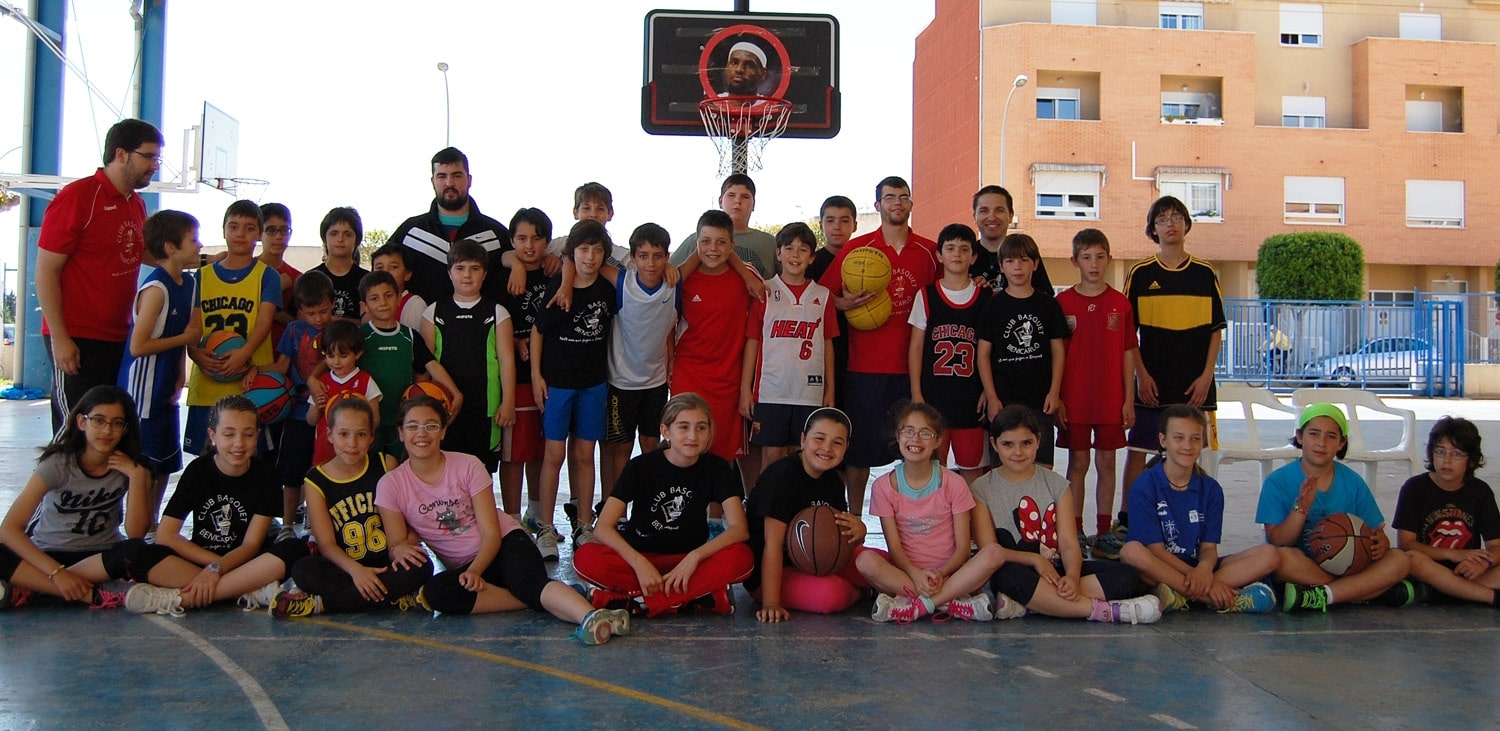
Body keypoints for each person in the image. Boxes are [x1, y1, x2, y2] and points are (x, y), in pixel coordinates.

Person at [375, 396, 628, 644]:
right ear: (400, 433)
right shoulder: (391, 484)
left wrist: (476, 570)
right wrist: (400, 548)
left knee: (530, 584)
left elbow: (492, 534)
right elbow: (398, 544)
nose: (421, 434)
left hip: (505, 544)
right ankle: (561, 595)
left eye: (431, 426)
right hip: (465, 568)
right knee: (436, 593)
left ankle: (590, 617)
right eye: (412, 426)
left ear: (442, 432)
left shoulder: (468, 466)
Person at [971, 405, 1162, 624]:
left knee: (1127, 575)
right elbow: (989, 549)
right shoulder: (981, 488)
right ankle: (1104, 611)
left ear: (1038, 441)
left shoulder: (1056, 484)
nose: (1018, 452)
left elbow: (1069, 543)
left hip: (1055, 569)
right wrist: (1034, 559)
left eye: (1026, 443)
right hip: (1015, 567)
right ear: (994, 444)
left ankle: (1034, 605)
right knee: (1006, 575)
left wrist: (1071, 576)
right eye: (1008, 444)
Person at [818, 176, 938, 515]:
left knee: (917, 452)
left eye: (903, 197)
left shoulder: (929, 252)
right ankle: (853, 523)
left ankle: (922, 524)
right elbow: (824, 295)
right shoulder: (857, 249)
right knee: (859, 456)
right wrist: (846, 303)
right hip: (864, 368)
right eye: (889, 198)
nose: (897, 203)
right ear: (878, 206)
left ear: (911, 203)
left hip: (913, 370)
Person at [573, 393, 754, 617]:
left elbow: (739, 529)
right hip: (640, 559)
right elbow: (603, 527)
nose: (692, 436)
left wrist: (694, 557)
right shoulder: (640, 467)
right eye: (683, 427)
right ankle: (690, 599)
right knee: (586, 558)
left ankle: (638, 602)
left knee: (742, 557)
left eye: (701, 428)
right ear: (666, 431)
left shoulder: (716, 468)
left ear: (709, 433)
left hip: (688, 563)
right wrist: (639, 563)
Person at [0, 386, 178, 611]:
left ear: (126, 429)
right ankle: (94, 594)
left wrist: (136, 476)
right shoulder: (57, 465)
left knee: (139, 551)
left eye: (117, 423)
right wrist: (58, 574)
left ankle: (34, 589)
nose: (107, 430)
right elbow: (9, 529)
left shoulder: (133, 467)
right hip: (51, 555)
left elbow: (136, 534)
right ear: (81, 422)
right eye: (98, 421)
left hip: (102, 558)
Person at [37, 118, 163, 434]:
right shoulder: (78, 197)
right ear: (121, 154)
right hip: (77, 336)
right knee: (75, 433)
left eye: (156, 158)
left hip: (118, 337)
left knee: (107, 432)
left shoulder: (136, 203)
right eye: (148, 157)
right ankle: (56, 486)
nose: (155, 166)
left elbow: (146, 251)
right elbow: (46, 272)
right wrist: (61, 339)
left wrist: (206, 261)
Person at [1117, 195, 1226, 545]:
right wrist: (1141, 376)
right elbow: (1125, 335)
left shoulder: (1205, 273)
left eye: (1177, 217)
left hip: (1196, 385)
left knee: (1191, 452)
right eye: (1162, 218)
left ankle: (1194, 524)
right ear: (1153, 229)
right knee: (1139, 451)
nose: (1170, 223)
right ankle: (1126, 521)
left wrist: (1207, 375)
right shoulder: (1141, 273)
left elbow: (1215, 332)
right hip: (1153, 384)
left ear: (1187, 225)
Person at [273, 396, 433, 617]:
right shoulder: (315, 479)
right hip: (345, 568)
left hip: (386, 562)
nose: (352, 443)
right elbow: (327, 544)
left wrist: (407, 545)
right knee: (302, 569)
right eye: (343, 434)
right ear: (329, 435)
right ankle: (392, 596)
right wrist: (357, 571)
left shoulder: (386, 465)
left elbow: (408, 520)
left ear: (371, 437)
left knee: (421, 564)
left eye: (361, 435)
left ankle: (322, 605)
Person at [148, 395, 311, 612]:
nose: (238, 443)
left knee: (296, 548)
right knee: (136, 553)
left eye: (248, 434)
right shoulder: (198, 470)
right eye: (228, 434)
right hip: (206, 562)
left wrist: (217, 569)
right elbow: (166, 535)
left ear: (257, 437)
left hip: (246, 562)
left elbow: (251, 544)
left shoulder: (267, 475)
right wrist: (213, 566)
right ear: (212, 436)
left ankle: (182, 598)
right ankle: (244, 590)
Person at [1255, 403, 1416, 612]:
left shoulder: (1353, 482)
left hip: (1351, 567)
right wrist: (1301, 508)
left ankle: (1324, 595)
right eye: (1314, 434)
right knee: (1281, 558)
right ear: (1300, 436)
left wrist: (1380, 544)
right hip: (1305, 567)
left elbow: (1378, 534)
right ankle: (1361, 591)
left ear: (1341, 443)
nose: (1321, 443)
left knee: (1400, 559)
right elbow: (1278, 540)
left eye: (1331, 436)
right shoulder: (1277, 481)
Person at [1119, 405, 1281, 613]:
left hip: (1197, 568)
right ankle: (1219, 598)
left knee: (1270, 554)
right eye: (1178, 438)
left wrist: (1204, 569)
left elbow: (1208, 549)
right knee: (1131, 552)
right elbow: (1155, 550)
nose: (1187, 445)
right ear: (1162, 440)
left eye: (1195, 438)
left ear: (1203, 442)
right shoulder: (1145, 485)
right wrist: (1203, 579)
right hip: (1159, 568)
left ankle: (1180, 595)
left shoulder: (1211, 489)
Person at [855, 403, 1005, 622]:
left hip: (951, 574)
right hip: (908, 575)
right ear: (898, 436)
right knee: (865, 560)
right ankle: (949, 601)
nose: (915, 439)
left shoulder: (954, 483)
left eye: (925, 433)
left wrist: (942, 574)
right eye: (908, 431)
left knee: (994, 553)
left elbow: (963, 549)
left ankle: (922, 605)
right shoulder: (884, 486)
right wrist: (916, 574)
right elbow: (894, 547)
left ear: (938, 440)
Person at [530, 221, 617, 557]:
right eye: (583, 250)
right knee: (553, 455)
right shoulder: (558, 286)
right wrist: (537, 375)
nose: (590, 257)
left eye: (597, 250)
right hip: (558, 386)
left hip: (593, 384)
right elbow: (538, 330)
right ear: (572, 253)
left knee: (584, 455)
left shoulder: (608, 290)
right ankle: (546, 528)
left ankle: (584, 524)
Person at [1055, 229, 1138, 558]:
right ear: (1075, 260)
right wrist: (1058, 396)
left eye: (1100, 256)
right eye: (1086, 257)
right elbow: (1056, 354)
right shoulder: (1063, 303)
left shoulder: (1120, 303)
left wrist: (1128, 398)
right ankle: (1074, 528)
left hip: (1110, 400)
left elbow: (1129, 351)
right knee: (1077, 462)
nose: (1094, 263)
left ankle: (1103, 532)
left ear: (1109, 259)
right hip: (1074, 399)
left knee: (1107, 462)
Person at [117, 210, 202, 528]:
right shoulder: (156, 289)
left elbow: (182, 337)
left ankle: (150, 522)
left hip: (166, 383)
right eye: (192, 240)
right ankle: (134, 526)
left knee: (167, 461)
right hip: (142, 387)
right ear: (170, 247)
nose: (198, 246)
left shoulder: (189, 282)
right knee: (143, 462)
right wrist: (185, 339)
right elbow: (138, 347)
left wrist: (181, 371)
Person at [745, 407, 868, 622]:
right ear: (803, 439)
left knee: (877, 562)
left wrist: (860, 531)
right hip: (771, 573)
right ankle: (867, 593)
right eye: (819, 438)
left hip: (814, 561)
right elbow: (772, 546)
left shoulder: (833, 480)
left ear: (846, 447)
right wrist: (771, 603)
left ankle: (898, 592)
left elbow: (838, 539)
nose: (827, 448)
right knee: (831, 595)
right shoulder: (781, 478)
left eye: (837, 442)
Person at [741, 222, 838, 486]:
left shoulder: (823, 296)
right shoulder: (764, 291)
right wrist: (745, 390)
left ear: (812, 257)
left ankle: (797, 516)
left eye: (803, 249)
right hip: (771, 390)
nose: (795, 255)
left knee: (804, 457)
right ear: (778, 254)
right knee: (771, 456)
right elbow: (752, 342)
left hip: (809, 393)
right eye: (789, 248)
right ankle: (765, 514)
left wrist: (829, 390)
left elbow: (827, 345)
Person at [183, 200, 280, 458]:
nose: (241, 233)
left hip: (250, 387)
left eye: (249, 228)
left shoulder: (266, 275)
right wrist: (194, 352)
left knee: (251, 463)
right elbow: (193, 324)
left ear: (259, 234)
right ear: (223, 230)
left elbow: (264, 320)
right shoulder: (201, 276)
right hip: (207, 383)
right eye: (234, 226)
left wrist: (244, 352)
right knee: (205, 464)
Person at [671, 211, 753, 497]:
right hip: (689, 374)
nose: (713, 249)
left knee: (722, 452)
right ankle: (684, 512)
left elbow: (755, 329)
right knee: (685, 445)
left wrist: (746, 386)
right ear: (696, 244)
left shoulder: (746, 279)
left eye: (721, 243)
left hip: (729, 376)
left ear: (732, 246)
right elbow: (667, 325)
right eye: (705, 242)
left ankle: (716, 519)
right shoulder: (683, 282)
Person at [419, 240, 515, 476]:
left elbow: (506, 360)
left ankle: (481, 514)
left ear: (484, 273)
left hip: (486, 406)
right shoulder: (433, 312)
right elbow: (424, 363)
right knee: (443, 467)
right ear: (449, 272)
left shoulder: (497, 313)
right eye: (460, 268)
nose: (467, 276)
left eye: (475, 269)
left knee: (482, 470)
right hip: (444, 405)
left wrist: (508, 401)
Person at [977, 233, 1069, 469]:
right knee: (1003, 469)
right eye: (1010, 261)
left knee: (1042, 468)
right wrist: (992, 396)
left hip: (1040, 401)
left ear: (1035, 264)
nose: (1017, 267)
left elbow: (1058, 351)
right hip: (1004, 399)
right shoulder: (992, 306)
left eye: (1024, 260)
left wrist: (1055, 392)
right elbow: (983, 355)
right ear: (1001, 266)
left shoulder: (1048, 304)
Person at [601, 223, 677, 509]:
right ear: (632, 258)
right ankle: (614, 510)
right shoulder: (622, 281)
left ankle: (647, 506)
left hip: (655, 382)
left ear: (667, 256)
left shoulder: (674, 283)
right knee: (620, 448)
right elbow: (587, 262)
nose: (651, 263)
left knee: (651, 444)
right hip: (621, 382)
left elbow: (696, 259)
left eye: (658, 256)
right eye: (643, 255)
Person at [907, 223, 990, 484]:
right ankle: (936, 524)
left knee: (972, 471)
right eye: (950, 248)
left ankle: (973, 526)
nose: (957, 254)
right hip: (934, 398)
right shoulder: (927, 295)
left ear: (974, 256)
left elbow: (991, 352)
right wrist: (917, 393)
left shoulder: (986, 298)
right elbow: (916, 347)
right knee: (932, 470)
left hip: (971, 400)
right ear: (939, 256)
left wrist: (989, 391)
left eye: (964, 249)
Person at [1394, 417, 1500, 606]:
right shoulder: (1414, 488)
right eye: (1440, 452)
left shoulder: (1480, 491)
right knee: (1409, 559)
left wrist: (1485, 562)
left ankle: (1439, 593)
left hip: (1468, 572)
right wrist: (1453, 554)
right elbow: (1406, 544)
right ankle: (1489, 596)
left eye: (1457, 454)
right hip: (1429, 568)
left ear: (1472, 460)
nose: (1447, 460)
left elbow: (1496, 546)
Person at [358, 270, 460, 459]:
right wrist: (314, 379)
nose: (382, 303)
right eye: (374, 298)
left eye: (388, 296)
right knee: (371, 470)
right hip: (368, 421)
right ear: (364, 305)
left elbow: (431, 365)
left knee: (400, 470)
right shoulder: (360, 336)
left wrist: (456, 393)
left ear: (398, 298)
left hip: (403, 421)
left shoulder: (410, 335)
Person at [389, 147, 511, 305]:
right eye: (441, 176)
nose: (449, 183)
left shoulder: (496, 233)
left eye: (457, 175)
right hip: (421, 326)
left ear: (469, 180)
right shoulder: (410, 232)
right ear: (432, 181)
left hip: (482, 327)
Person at [497, 209, 555, 531]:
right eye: (521, 238)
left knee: (540, 448)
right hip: (515, 378)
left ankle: (535, 511)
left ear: (547, 240)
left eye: (536, 238)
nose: (529, 245)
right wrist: (517, 339)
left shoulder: (555, 272)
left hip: (548, 376)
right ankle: (511, 517)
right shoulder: (501, 276)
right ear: (512, 241)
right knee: (514, 451)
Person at [271, 272, 336, 539]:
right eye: (311, 313)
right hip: (297, 411)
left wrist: (313, 377)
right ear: (300, 308)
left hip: (329, 414)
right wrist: (253, 372)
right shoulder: (294, 330)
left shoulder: (337, 331)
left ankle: (317, 522)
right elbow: (281, 367)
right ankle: (287, 525)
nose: (318, 318)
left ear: (333, 303)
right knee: (293, 470)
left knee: (323, 468)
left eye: (323, 311)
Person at [670, 174, 777, 279]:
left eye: (745, 197)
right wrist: (666, 268)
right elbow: (668, 271)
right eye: (731, 195)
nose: (737, 201)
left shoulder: (769, 242)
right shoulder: (698, 240)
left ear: (753, 204)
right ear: (720, 201)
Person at [307, 320, 382, 469]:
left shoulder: (365, 381)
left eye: (343, 355)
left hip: (355, 452)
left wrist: (359, 414)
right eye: (330, 355)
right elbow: (310, 420)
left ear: (358, 354)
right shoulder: (321, 383)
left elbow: (376, 420)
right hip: (325, 452)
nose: (336, 362)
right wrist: (317, 407)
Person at [970, 185, 1052, 295]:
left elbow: (1044, 298)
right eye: (984, 211)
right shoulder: (965, 255)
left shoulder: (1024, 252)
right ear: (974, 216)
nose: (992, 217)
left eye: (999, 210)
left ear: (1011, 215)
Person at [309, 207, 368, 321]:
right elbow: (302, 321)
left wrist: (333, 320)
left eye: (347, 234)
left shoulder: (367, 281)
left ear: (357, 240)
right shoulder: (310, 279)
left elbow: (372, 324)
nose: (340, 239)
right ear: (324, 238)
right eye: (334, 233)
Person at [258, 203, 301, 348]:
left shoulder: (297, 278)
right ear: (259, 233)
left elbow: (303, 325)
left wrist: (276, 313)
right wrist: (276, 289)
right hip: (246, 352)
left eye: (284, 230)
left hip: (283, 357)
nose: (278, 236)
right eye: (271, 230)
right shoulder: (246, 269)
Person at [370, 243, 429, 331]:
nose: (386, 272)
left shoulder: (414, 305)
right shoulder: (368, 302)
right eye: (379, 267)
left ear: (407, 274)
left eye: (394, 267)